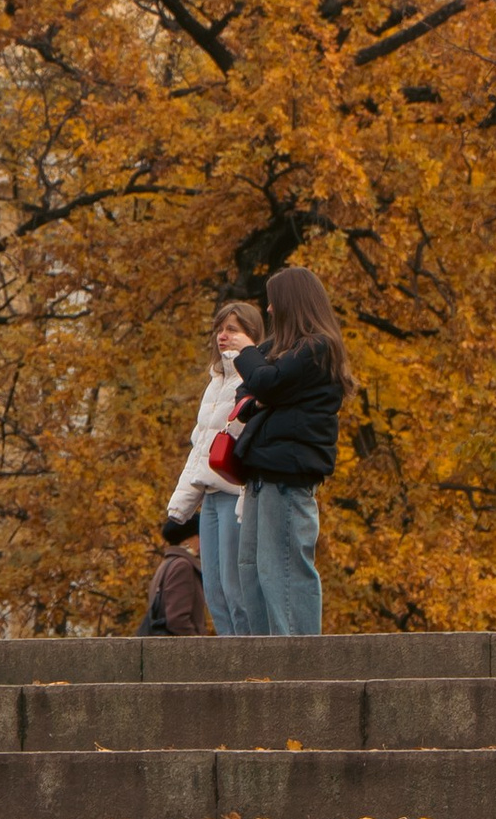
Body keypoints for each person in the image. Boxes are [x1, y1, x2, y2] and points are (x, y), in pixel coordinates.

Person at [227, 265, 348, 637]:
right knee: (252, 569)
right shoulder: (279, 350)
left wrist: (250, 358)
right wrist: (260, 394)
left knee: (283, 567)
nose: (268, 309)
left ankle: (298, 658)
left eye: (273, 301)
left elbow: (265, 381)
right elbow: (247, 392)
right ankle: (266, 655)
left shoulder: (317, 348)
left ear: (291, 302)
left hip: (287, 475)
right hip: (261, 472)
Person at [167, 299, 262, 634]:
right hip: (209, 494)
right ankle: (228, 654)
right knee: (215, 590)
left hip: (234, 492)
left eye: (232, 329)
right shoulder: (216, 381)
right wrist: (181, 503)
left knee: (236, 588)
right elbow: (200, 447)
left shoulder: (254, 377)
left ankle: (249, 654)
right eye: (219, 329)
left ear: (251, 334)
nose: (223, 336)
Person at [140, 511, 210, 636]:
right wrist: (198, 644)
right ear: (190, 538)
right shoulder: (182, 566)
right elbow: (177, 619)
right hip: (181, 646)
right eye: (200, 535)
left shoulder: (167, 564)